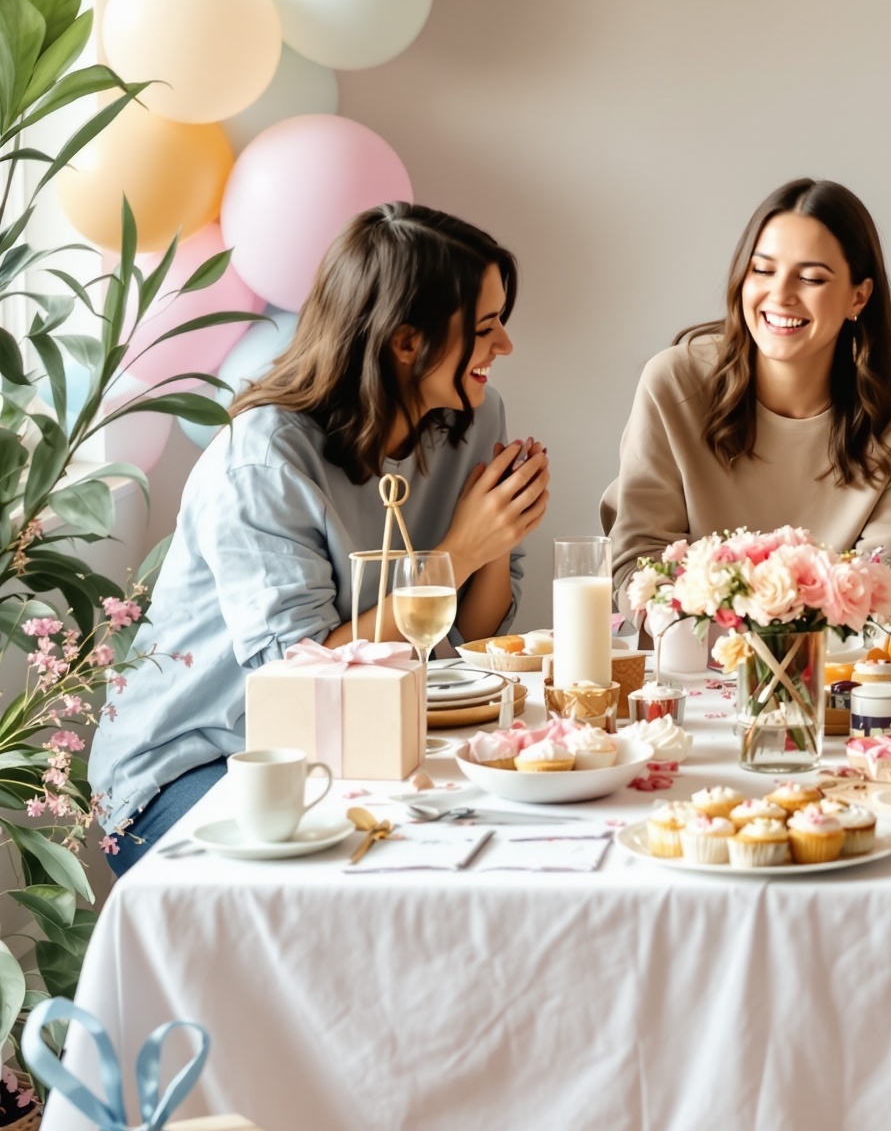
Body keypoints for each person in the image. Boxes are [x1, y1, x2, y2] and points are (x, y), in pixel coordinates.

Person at [92, 203, 549, 870]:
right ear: (404, 342)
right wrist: (460, 551)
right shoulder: (265, 457)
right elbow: (303, 680)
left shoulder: (474, 418)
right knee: (362, 882)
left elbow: (471, 641)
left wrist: (501, 531)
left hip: (355, 745)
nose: (503, 347)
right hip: (201, 761)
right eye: (484, 329)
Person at [604, 178, 891, 621]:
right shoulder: (674, 383)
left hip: (838, 674)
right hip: (692, 670)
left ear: (858, 297)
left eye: (810, 278)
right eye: (762, 270)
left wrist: (791, 637)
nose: (781, 295)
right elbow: (638, 565)